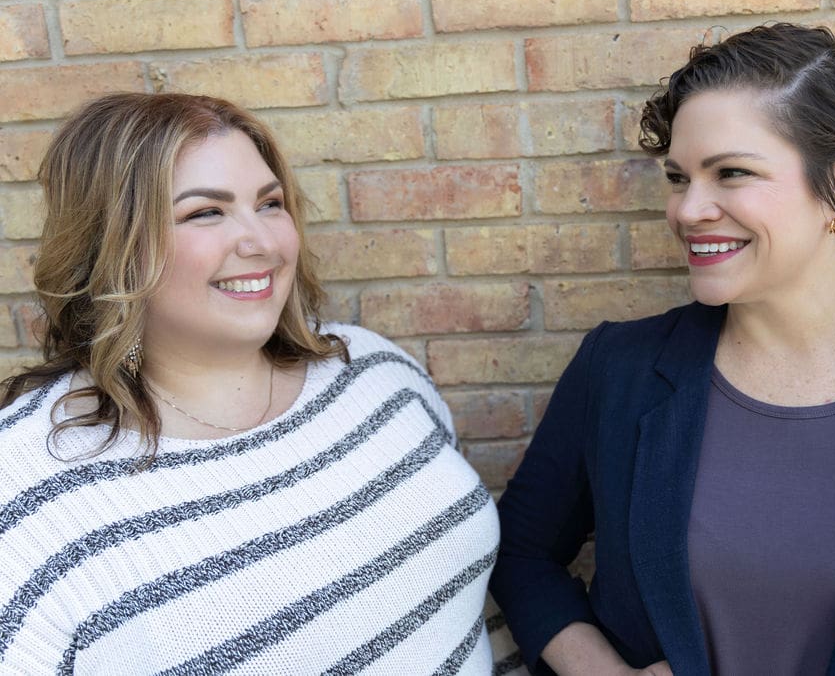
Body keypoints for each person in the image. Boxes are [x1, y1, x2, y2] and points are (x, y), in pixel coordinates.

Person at [490, 23, 835, 675]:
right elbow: (521, 551)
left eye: (731, 172)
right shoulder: (619, 371)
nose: (688, 210)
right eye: (680, 177)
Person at [0, 92, 498, 674]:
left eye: (270, 203)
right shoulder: (28, 489)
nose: (261, 242)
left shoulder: (377, 373)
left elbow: (471, 612)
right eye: (205, 212)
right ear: (111, 246)